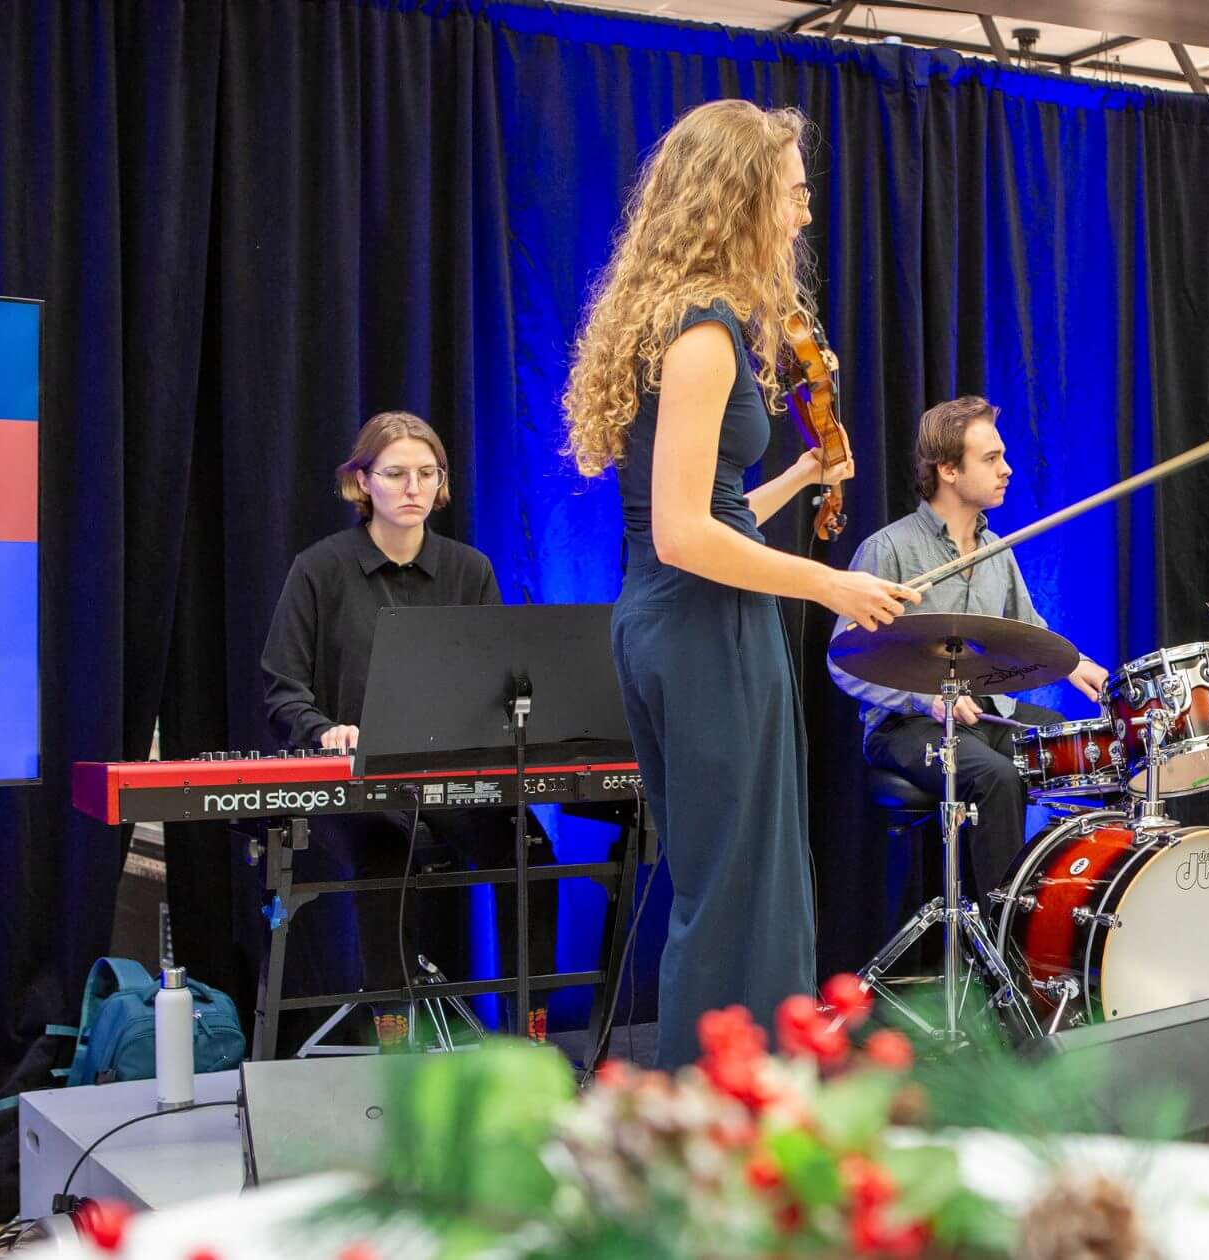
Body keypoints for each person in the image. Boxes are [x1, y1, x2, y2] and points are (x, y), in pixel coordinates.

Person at [561, 99, 917, 1069]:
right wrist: (825, 584)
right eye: (795, 194)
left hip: (668, 619)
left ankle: (728, 1114)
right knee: (734, 900)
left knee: (727, 884)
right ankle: (717, 1122)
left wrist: (800, 479)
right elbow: (686, 535)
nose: (803, 216)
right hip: (701, 625)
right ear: (745, 197)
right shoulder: (705, 335)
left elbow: (699, 512)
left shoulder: (673, 322)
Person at [259, 409, 554, 1048]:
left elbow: (495, 677)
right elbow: (284, 689)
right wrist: (324, 730)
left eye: (427, 473)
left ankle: (530, 1034)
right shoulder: (319, 570)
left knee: (527, 846)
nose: (413, 487)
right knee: (384, 852)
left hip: (449, 776)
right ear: (362, 483)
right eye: (395, 474)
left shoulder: (468, 569)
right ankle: (397, 1036)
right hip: (358, 786)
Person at [828, 396, 1108, 898]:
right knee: (998, 777)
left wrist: (1078, 665)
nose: (1007, 469)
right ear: (949, 470)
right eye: (991, 459)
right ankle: (1002, 940)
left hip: (984, 713)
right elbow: (844, 662)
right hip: (906, 725)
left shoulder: (996, 549)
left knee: (1086, 749)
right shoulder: (888, 549)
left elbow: (1028, 628)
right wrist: (923, 698)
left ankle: (1071, 916)